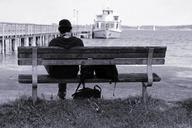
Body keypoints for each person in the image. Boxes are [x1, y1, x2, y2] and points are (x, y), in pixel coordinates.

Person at [45, 19, 84, 99]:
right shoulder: (78, 42)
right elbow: (83, 59)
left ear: (59, 30)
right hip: (72, 73)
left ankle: (61, 91)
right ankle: (62, 91)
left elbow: (46, 59)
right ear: (71, 29)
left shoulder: (53, 42)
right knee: (66, 66)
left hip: (55, 74)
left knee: (58, 66)